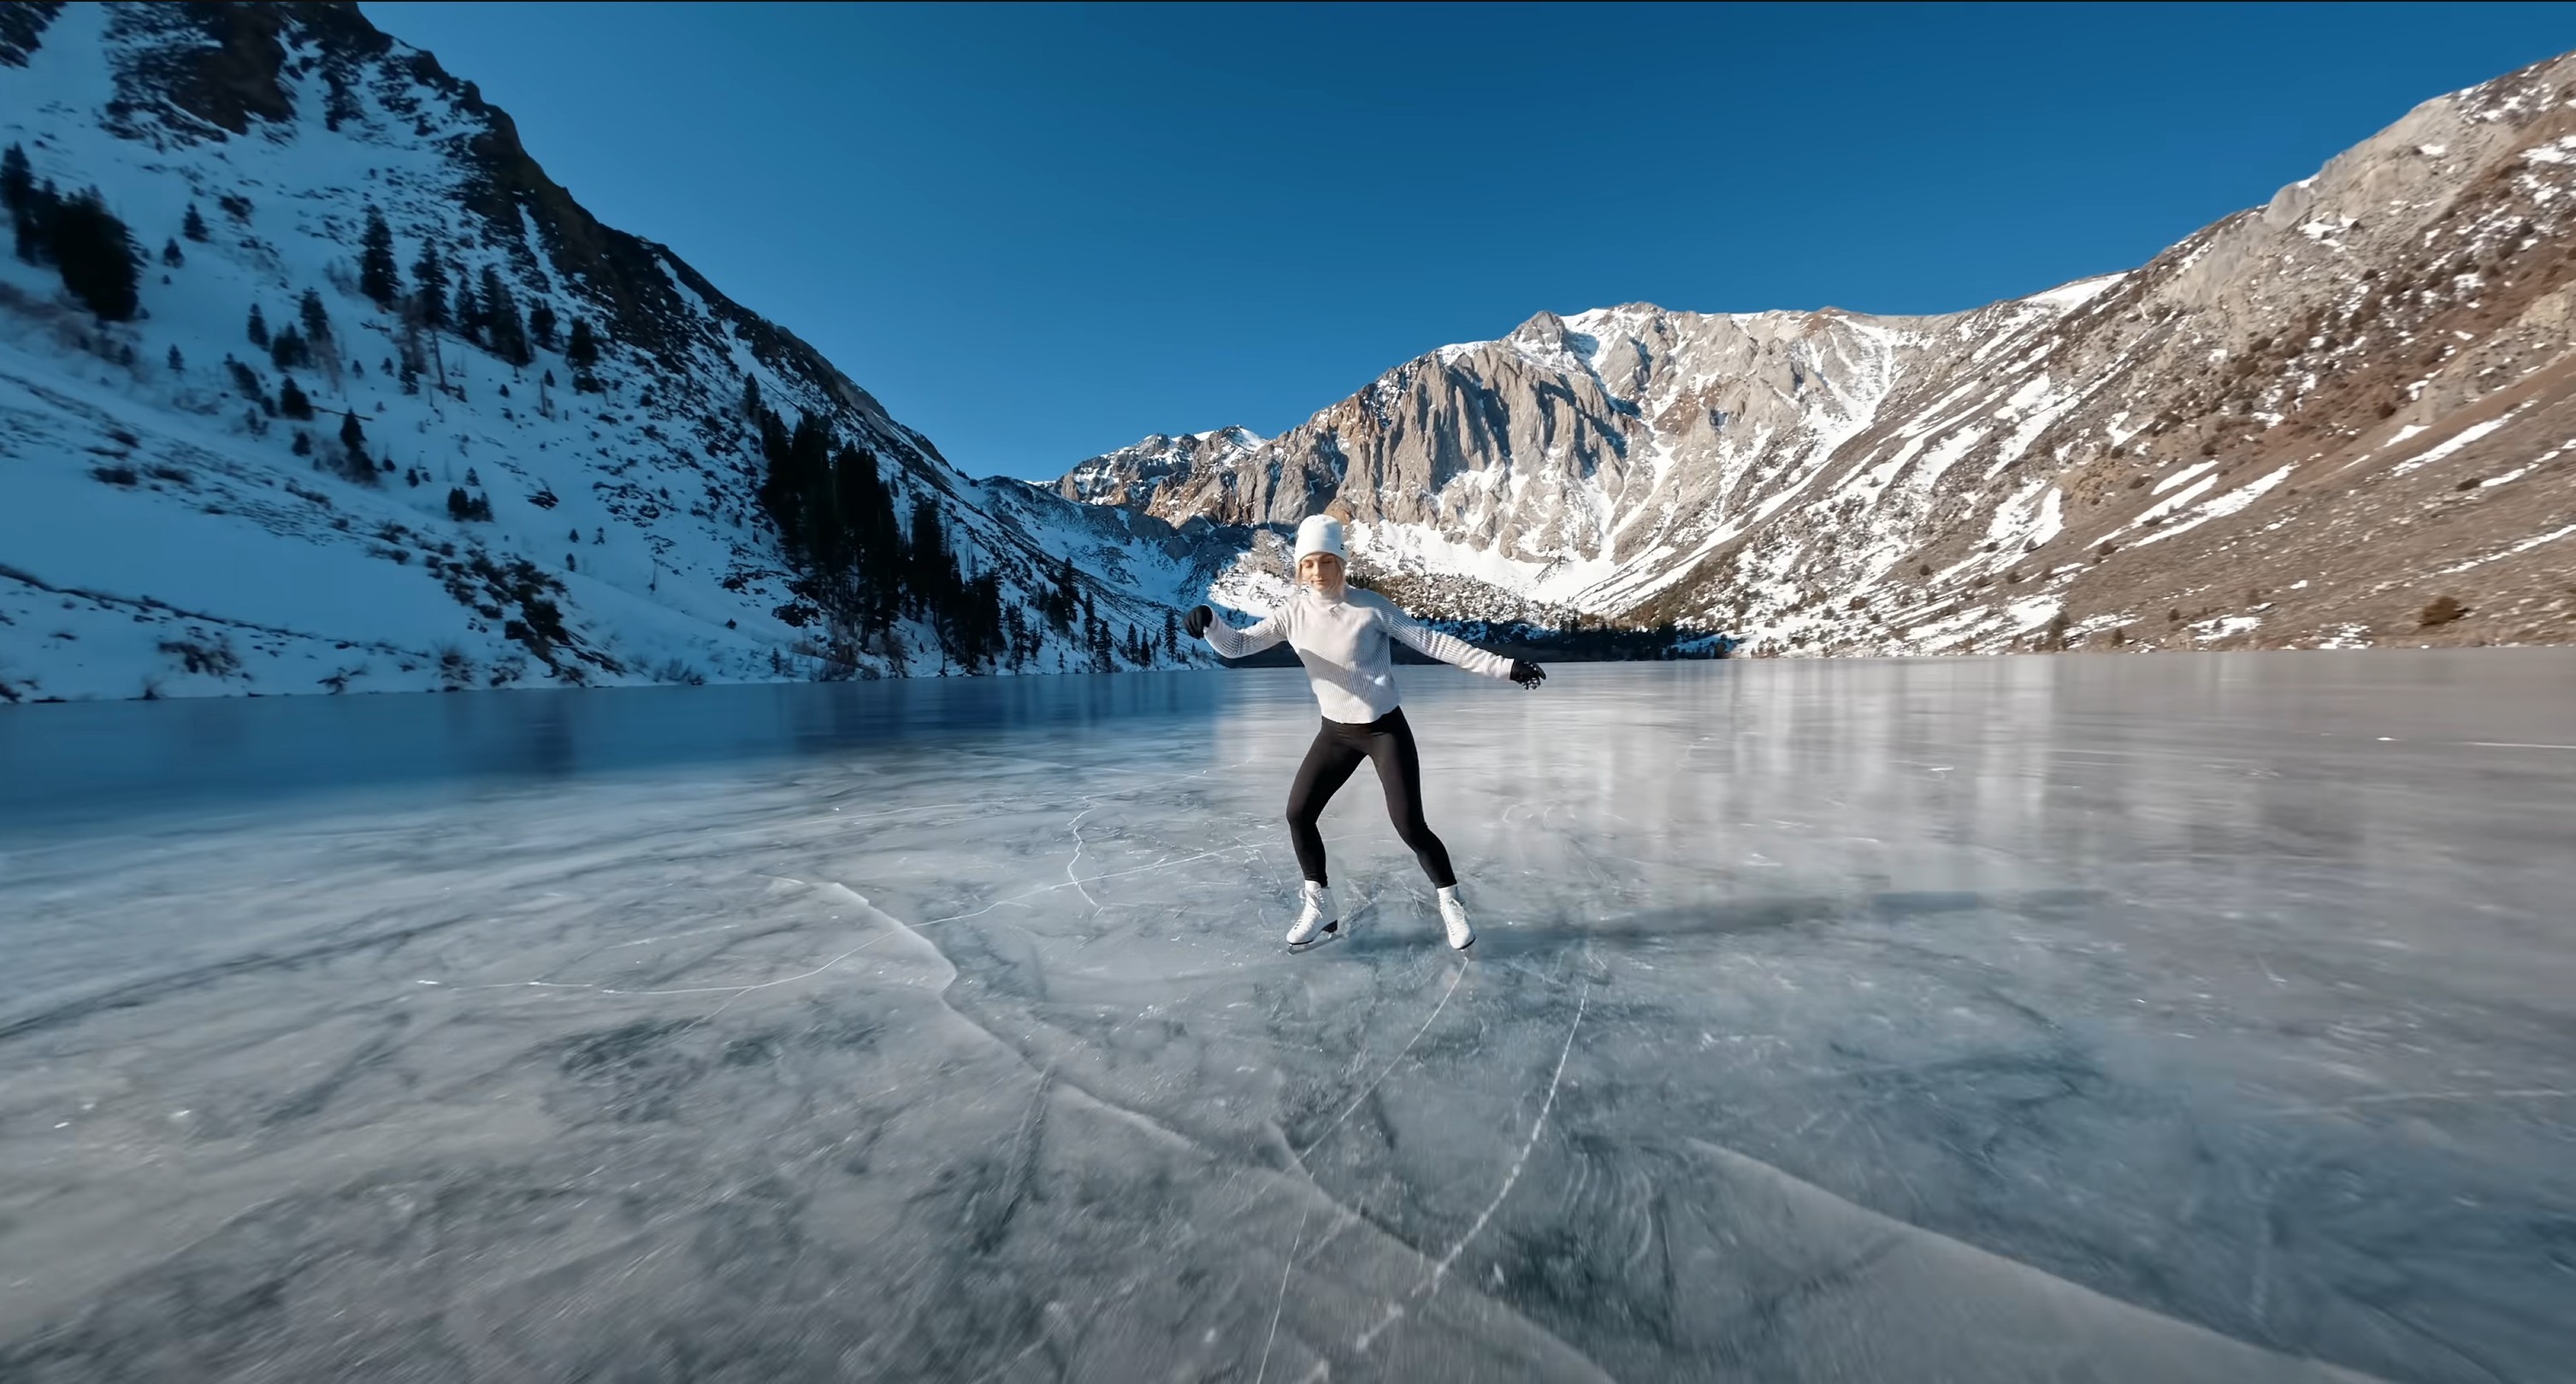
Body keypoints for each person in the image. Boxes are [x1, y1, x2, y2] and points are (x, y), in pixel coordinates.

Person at [1187, 514, 1545, 950]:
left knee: (1409, 825)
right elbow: (1238, 646)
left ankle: (1451, 902)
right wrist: (1210, 623)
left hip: (1383, 731)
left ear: (1341, 562)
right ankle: (1320, 904)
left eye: (1326, 561)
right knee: (1299, 813)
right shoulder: (1292, 614)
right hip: (1335, 734)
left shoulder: (1370, 608)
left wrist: (1505, 667)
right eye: (1308, 564)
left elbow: (1433, 643)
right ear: (1299, 568)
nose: (1317, 572)